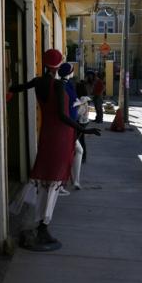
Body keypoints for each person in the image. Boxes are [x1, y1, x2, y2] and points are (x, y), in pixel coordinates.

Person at [9, 49, 100, 250]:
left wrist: (8, 91)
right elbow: (62, 115)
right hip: (59, 136)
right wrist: (84, 129)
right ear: (58, 66)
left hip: (47, 135)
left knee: (45, 179)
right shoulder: (58, 85)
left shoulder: (37, 81)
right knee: (54, 180)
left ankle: (42, 222)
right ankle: (44, 225)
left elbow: (16, 88)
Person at [58, 62, 87, 190]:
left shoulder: (68, 85)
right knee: (73, 152)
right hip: (66, 124)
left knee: (75, 151)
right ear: (69, 72)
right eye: (72, 71)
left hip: (70, 123)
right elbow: (66, 104)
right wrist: (79, 104)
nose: (73, 73)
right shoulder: (63, 86)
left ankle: (74, 180)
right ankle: (66, 182)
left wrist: (79, 103)